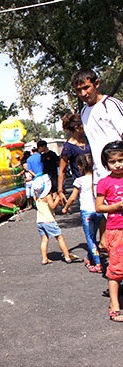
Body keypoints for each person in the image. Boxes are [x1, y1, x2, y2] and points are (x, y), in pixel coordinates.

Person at [71, 69, 123, 251]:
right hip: (102, 176)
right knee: (112, 221)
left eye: (87, 87)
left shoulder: (111, 105)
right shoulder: (84, 112)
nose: (84, 93)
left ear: (97, 84)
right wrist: (94, 178)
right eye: (79, 90)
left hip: (119, 174)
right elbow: (93, 146)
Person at [95, 141, 123, 322]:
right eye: (113, 162)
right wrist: (117, 206)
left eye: (121, 160)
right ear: (106, 164)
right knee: (116, 270)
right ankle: (114, 305)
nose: (118, 164)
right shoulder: (104, 182)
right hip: (116, 230)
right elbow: (99, 207)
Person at [61, 154, 103, 272]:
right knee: (93, 236)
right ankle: (89, 258)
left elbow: (73, 198)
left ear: (80, 166)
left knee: (90, 238)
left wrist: (65, 208)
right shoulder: (98, 179)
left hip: (87, 212)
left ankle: (98, 263)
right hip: (98, 211)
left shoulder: (79, 180)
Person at [32, 176, 79, 265]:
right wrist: (57, 198)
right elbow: (52, 206)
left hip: (40, 221)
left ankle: (44, 258)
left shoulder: (36, 196)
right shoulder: (47, 195)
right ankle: (67, 256)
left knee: (44, 240)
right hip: (49, 220)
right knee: (60, 237)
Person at [57, 114, 90, 203]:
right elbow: (62, 170)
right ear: (77, 128)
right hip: (83, 186)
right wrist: (60, 191)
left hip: (97, 181)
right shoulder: (68, 148)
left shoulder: (89, 140)